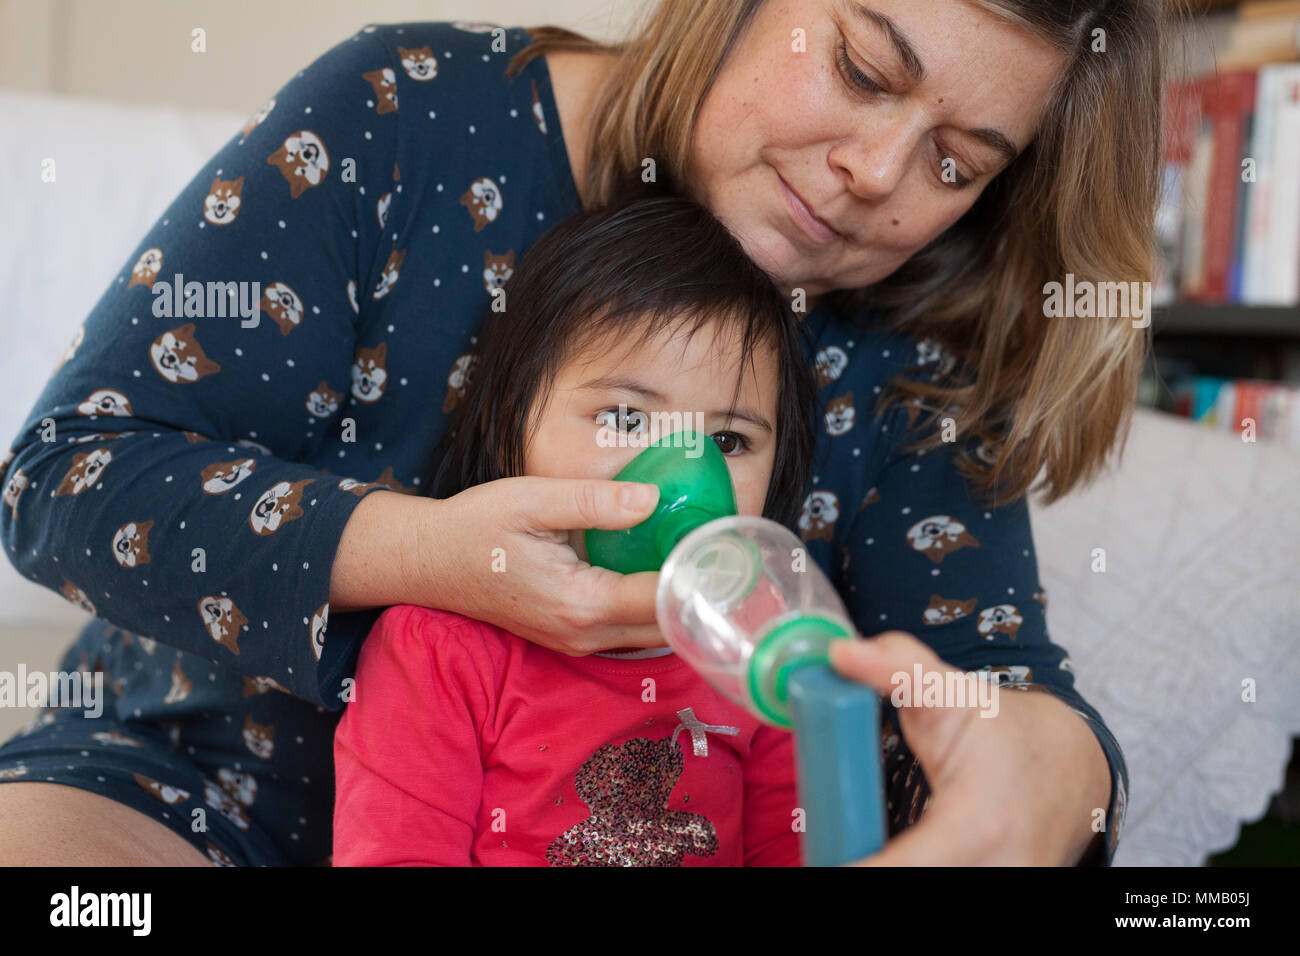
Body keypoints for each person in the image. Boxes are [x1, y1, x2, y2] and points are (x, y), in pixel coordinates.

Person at [0, 0, 1163, 866]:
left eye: (953, 162)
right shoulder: (405, 116)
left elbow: (992, 689)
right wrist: (434, 559)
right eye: (860, 68)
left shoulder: (914, 325)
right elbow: (64, 478)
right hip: (186, 792)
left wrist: (1051, 780)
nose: (874, 175)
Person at [334, 188, 817, 866]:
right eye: (624, 418)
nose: (684, 475)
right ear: (509, 430)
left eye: (730, 441)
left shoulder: (762, 648)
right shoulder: (439, 651)